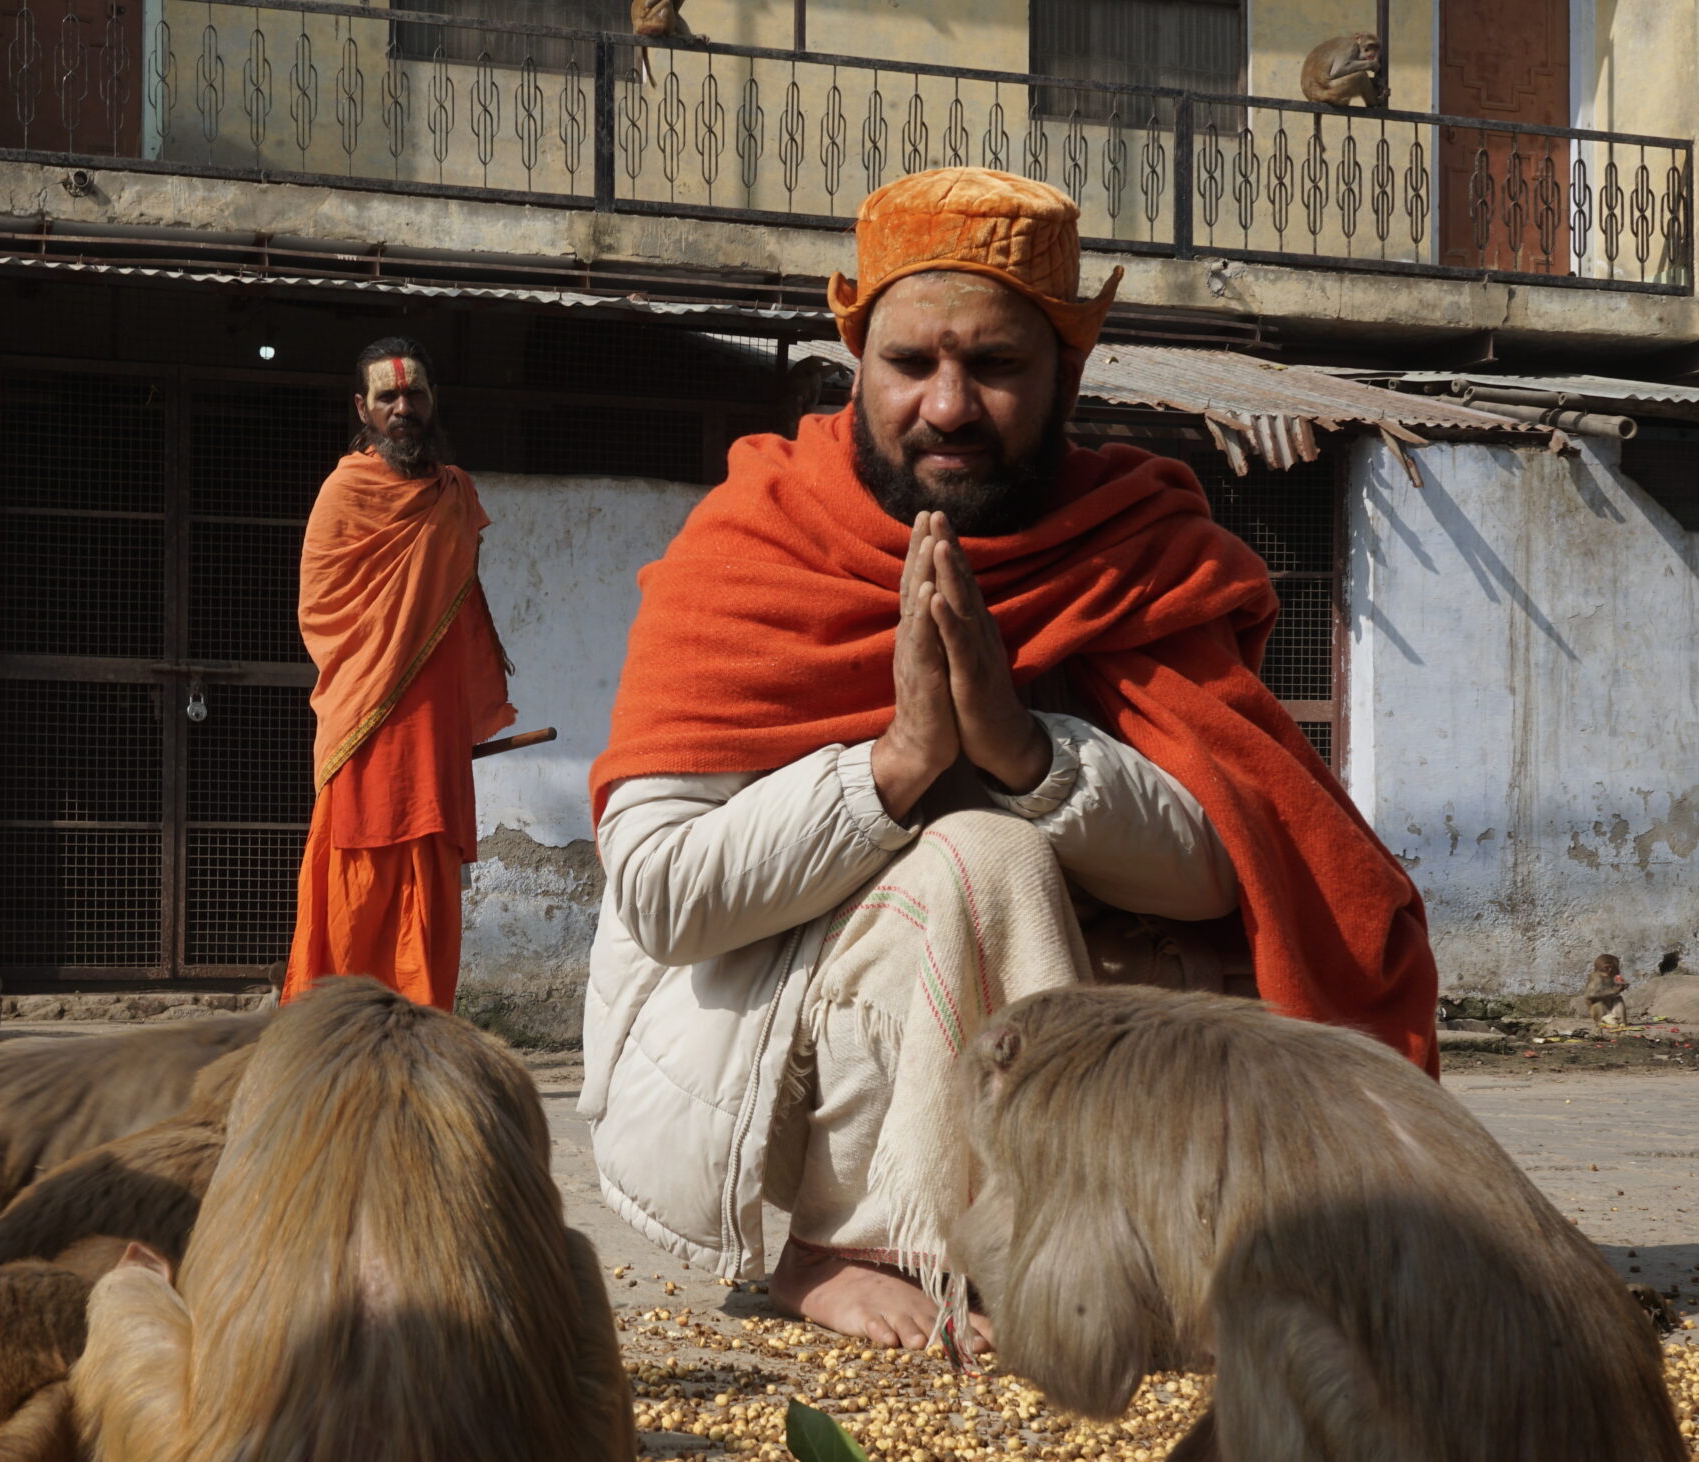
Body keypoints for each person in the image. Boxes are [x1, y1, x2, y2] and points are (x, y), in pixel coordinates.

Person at [581, 169, 1440, 1352]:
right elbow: (666, 899)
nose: (946, 406)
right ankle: (849, 1245)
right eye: (910, 365)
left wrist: (1023, 748)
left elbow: (1234, 859)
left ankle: (1111, 1232)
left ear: (1063, 380)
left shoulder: (1132, 541)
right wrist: (898, 763)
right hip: (752, 1027)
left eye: (993, 367)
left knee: (1182, 907)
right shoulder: (757, 539)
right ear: (855, 363)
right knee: (979, 855)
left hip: (1058, 1001)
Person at [282, 336, 516, 1009]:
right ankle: (333, 1039)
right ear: (363, 406)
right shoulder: (343, 492)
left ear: (433, 401)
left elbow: (464, 616)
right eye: (388, 397)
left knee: (431, 899)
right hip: (364, 726)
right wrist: (383, 660)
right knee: (353, 898)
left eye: (414, 394)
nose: (403, 407)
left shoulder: (454, 494)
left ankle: (421, 1039)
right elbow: (320, 609)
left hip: (434, 736)